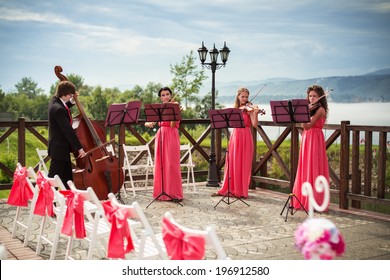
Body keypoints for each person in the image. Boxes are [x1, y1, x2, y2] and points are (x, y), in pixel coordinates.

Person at [212, 87, 260, 198]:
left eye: (246, 97)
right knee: (232, 162)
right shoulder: (235, 109)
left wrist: (255, 113)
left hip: (246, 136)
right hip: (235, 136)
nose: (245, 99)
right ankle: (228, 188)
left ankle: (241, 191)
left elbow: (254, 124)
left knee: (244, 163)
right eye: (242, 96)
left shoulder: (250, 109)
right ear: (238, 97)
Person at [292, 85, 330, 211]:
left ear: (320, 98)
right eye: (310, 96)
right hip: (307, 138)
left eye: (314, 96)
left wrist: (303, 112)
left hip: (315, 138)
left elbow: (308, 126)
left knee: (313, 167)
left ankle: (315, 201)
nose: (312, 98)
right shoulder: (312, 109)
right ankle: (303, 199)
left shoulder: (320, 110)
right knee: (305, 166)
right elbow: (305, 127)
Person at [145, 87, 183, 202]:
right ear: (160, 97)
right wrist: (149, 123)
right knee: (160, 164)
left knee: (171, 164)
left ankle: (174, 193)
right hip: (160, 135)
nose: (165, 96)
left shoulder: (175, 107)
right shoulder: (158, 109)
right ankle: (161, 192)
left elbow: (172, 125)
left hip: (171, 135)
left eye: (167, 94)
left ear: (171, 96)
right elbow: (147, 123)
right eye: (163, 95)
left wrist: (175, 113)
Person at [48, 81, 86, 188]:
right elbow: (68, 131)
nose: (71, 97)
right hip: (59, 149)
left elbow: (64, 106)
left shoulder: (54, 102)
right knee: (53, 180)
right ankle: (48, 202)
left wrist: (72, 102)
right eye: (70, 95)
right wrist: (79, 148)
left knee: (67, 180)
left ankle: (66, 202)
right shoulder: (58, 109)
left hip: (60, 148)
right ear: (64, 93)